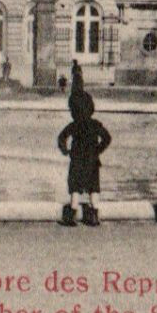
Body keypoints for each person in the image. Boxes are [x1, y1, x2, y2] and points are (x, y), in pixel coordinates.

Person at [57, 89, 112, 226]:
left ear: (74, 110)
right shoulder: (95, 124)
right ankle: (94, 214)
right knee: (94, 187)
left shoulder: (74, 125)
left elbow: (61, 137)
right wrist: (98, 150)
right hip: (93, 160)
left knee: (75, 187)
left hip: (77, 160)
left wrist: (65, 150)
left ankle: (72, 213)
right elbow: (107, 138)